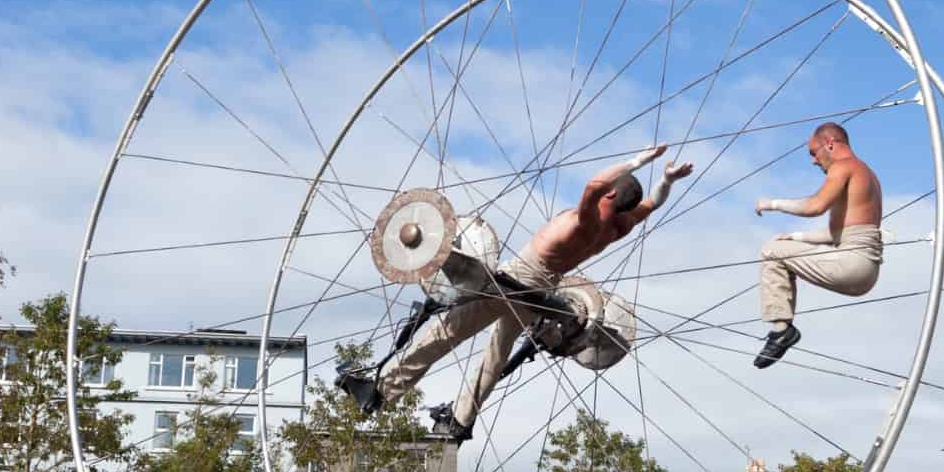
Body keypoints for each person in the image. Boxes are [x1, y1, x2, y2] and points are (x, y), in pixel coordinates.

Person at [338, 144, 692, 440]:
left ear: (611, 192)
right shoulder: (619, 226)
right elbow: (654, 204)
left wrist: (637, 161)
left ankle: (381, 391)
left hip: (517, 279)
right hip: (544, 288)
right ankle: (461, 421)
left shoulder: (588, 223)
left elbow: (591, 187)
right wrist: (666, 180)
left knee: (447, 331)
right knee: (496, 353)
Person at [751, 122, 883, 367]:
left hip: (852, 262)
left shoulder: (844, 166)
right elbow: (839, 233)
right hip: (865, 271)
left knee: (770, 250)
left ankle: (781, 331)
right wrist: (795, 238)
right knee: (780, 247)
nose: (813, 161)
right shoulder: (867, 174)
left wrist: (772, 204)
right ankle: (781, 331)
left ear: (829, 144)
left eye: (813, 152)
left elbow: (815, 206)